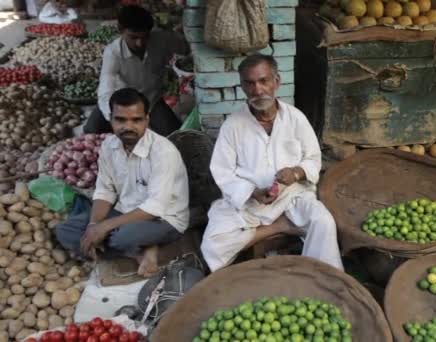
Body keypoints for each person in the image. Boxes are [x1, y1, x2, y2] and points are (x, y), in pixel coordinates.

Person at [201, 54, 344, 272]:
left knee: (323, 221)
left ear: (276, 82)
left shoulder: (296, 118)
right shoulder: (233, 125)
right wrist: (251, 191)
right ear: (242, 87)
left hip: (292, 197)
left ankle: (323, 278)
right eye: (250, 83)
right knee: (212, 244)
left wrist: (296, 173)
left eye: (263, 81)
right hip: (250, 202)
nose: (258, 90)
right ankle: (281, 226)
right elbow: (222, 171)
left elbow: (313, 158)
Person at [56, 88, 190, 277]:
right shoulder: (109, 146)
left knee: (122, 238)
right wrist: (94, 224)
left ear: (147, 119)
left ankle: (138, 248)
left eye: (136, 120)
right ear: (111, 119)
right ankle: (139, 250)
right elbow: (105, 190)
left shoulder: (163, 152)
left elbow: (155, 207)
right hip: (124, 212)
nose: (128, 126)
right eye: (121, 120)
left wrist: (104, 227)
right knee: (65, 230)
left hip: (164, 219)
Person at [84, 5, 188, 136]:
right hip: (122, 102)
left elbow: (185, 47)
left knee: (176, 135)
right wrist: (113, 117)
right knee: (91, 129)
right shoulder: (113, 52)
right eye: (133, 37)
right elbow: (106, 89)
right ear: (121, 30)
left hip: (151, 101)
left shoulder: (162, 39)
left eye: (144, 37)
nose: (140, 43)